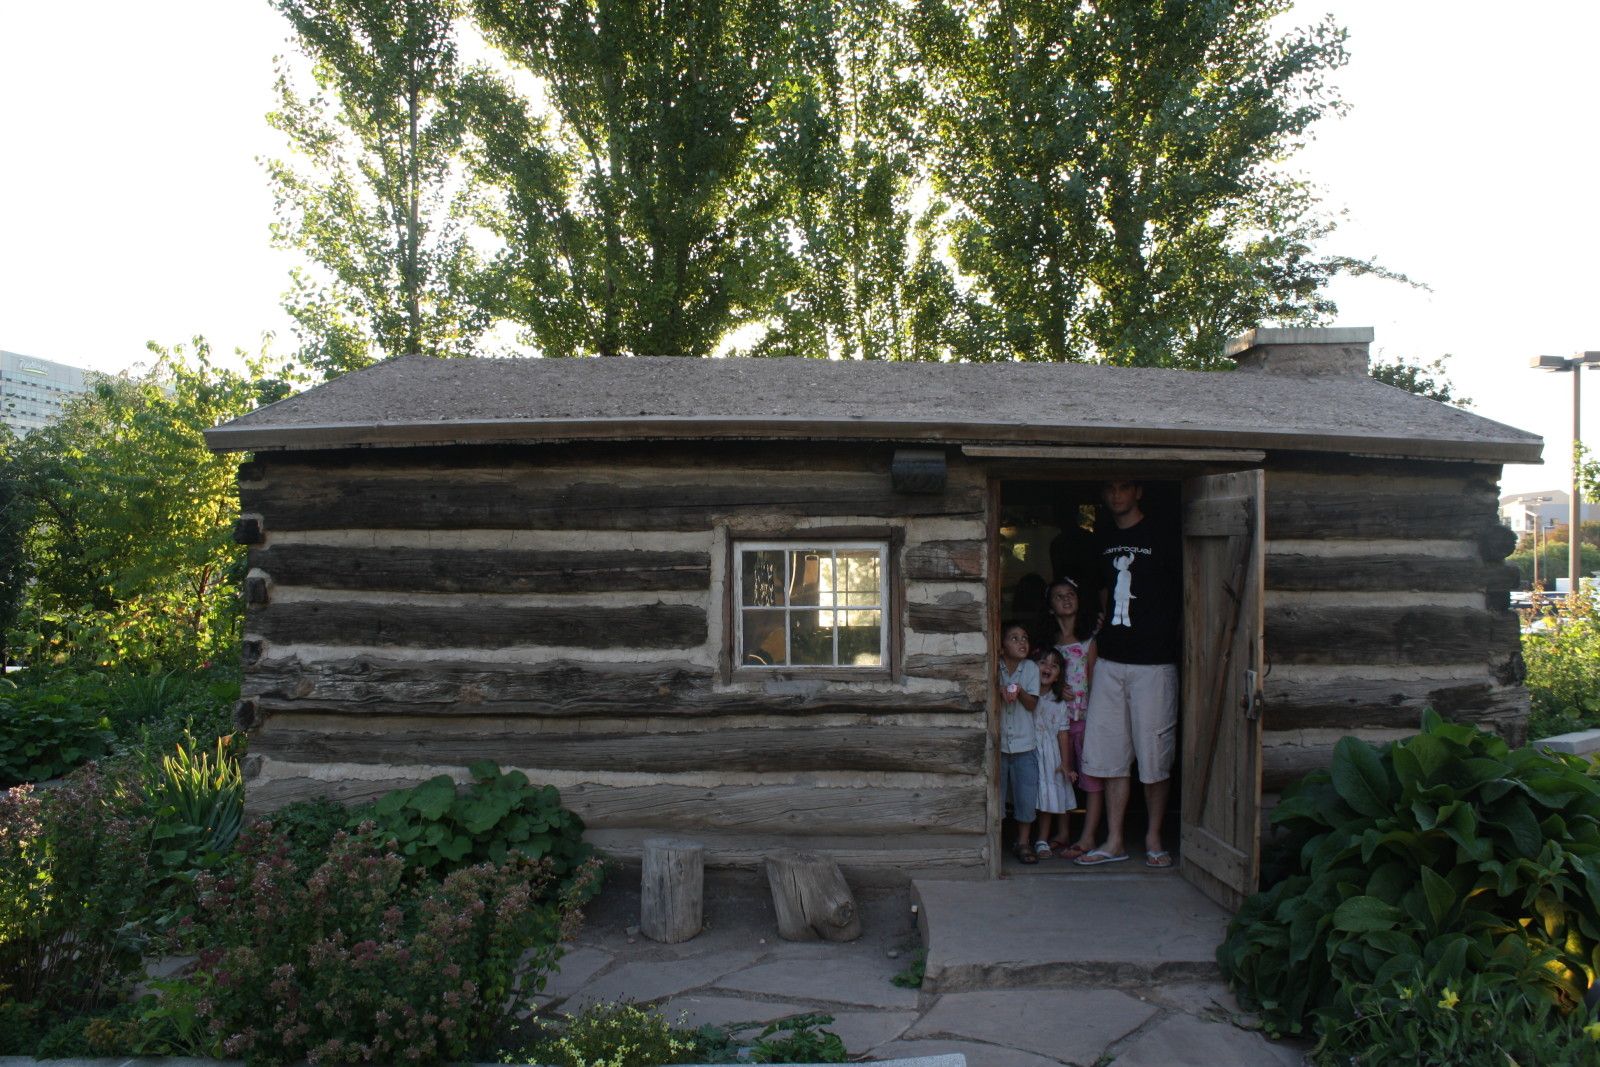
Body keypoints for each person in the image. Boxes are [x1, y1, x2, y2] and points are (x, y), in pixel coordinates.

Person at [1075, 480, 1181, 870]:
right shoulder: (1103, 538)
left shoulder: (1163, 535)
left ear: (1138, 491)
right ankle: (1115, 839)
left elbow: (1185, 592)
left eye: (1123, 488)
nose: (1115, 496)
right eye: (1109, 490)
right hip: (1111, 662)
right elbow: (1101, 591)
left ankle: (1154, 836)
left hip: (1154, 663)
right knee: (1110, 754)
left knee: (1154, 754)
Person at [1042, 577, 1100, 860]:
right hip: (1057, 720)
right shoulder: (1049, 646)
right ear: (1050, 607)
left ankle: (1087, 836)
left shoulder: (1089, 640)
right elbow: (1042, 682)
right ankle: (1063, 832)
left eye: (1070, 594)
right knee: (1062, 774)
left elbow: (1095, 680)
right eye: (1058, 596)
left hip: (1086, 717)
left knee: (1090, 778)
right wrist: (1056, 688)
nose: (1066, 599)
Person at [996, 620, 1042, 864]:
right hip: (999, 746)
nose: (1021, 642)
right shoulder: (995, 667)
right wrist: (1000, 690)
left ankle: (1023, 842)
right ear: (1001, 646)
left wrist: (1019, 691)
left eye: (1024, 637)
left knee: (1026, 797)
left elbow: (1032, 704)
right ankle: (997, 843)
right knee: (998, 796)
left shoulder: (1031, 668)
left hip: (1025, 745)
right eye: (1014, 638)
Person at [1030, 646, 1076, 857]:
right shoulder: (1026, 694)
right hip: (1028, 750)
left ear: (1058, 676)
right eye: (1043, 663)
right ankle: (1022, 838)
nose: (1048, 667)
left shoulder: (1059, 703)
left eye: (1054, 665)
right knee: (1029, 796)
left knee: (1047, 798)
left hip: (1049, 756)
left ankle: (1041, 839)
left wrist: (1066, 765)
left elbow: (1063, 735)